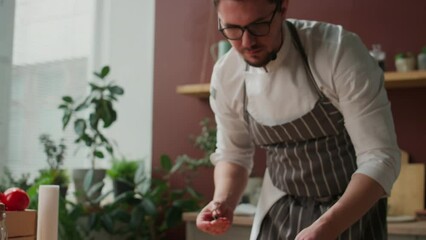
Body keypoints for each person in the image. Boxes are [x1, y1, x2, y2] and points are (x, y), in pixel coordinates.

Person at [196, 0, 401, 239]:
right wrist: (223, 202)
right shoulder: (226, 74)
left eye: (259, 25)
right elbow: (234, 154)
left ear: (282, 10)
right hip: (279, 209)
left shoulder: (337, 50)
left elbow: (380, 157)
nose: (246, 42)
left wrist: (328, 226)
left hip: (351, 210)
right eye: (232, 28)